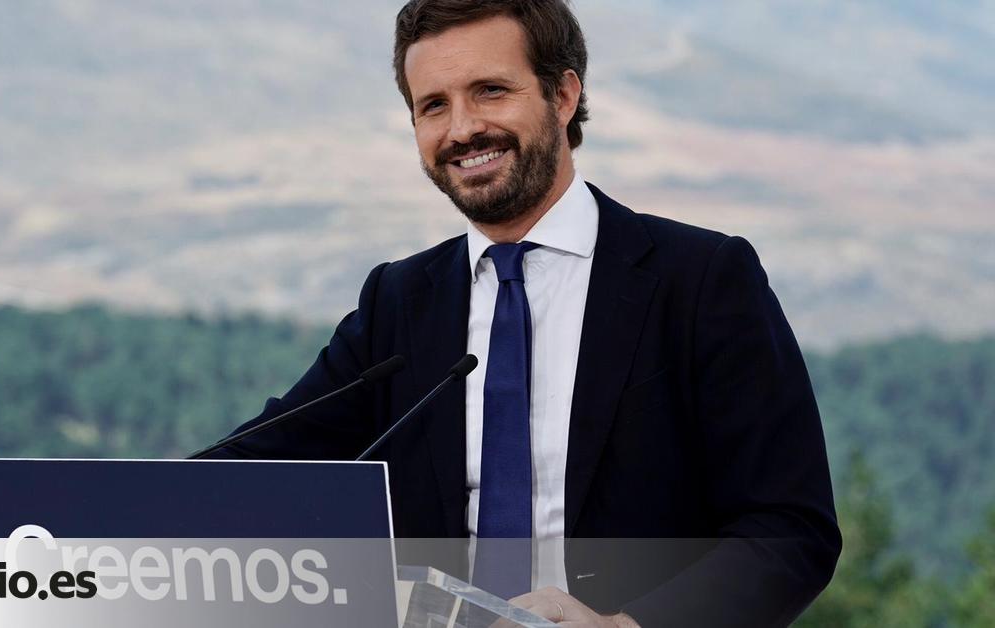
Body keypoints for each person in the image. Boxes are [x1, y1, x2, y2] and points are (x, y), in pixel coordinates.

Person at [211, 1, 841, 625]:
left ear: (563, 96)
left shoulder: (701, 279)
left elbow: (790, 530)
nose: (462, 129)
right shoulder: (398, 302)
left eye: (490, 91)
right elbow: (254, 468)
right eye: (434, 105)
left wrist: (624, 627)